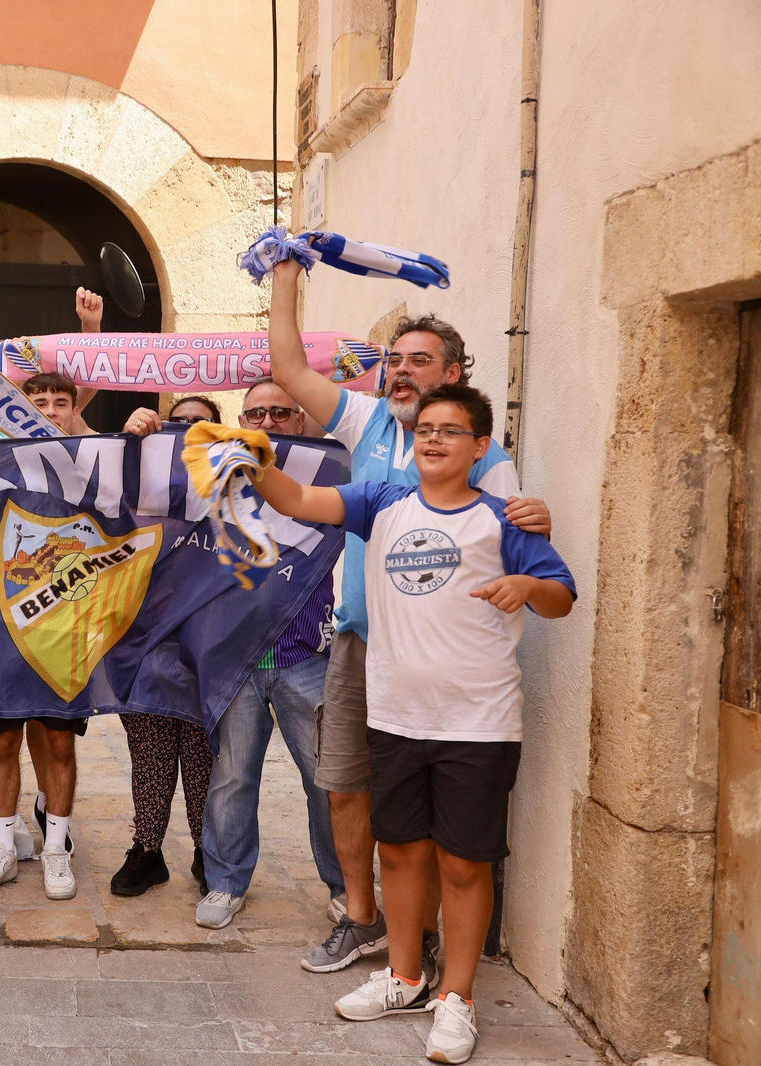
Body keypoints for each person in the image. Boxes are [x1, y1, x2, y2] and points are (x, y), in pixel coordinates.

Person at [252, 383, 574, 1064]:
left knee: (463, 863)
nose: (432, 439)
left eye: (450, 430)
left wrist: (526, 587)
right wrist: (251, 460)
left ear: (479, 447)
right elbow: (297, 500)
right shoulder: (382, 501)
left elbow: (560, 597)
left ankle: (455, 999)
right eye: (425, 428)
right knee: (397, 850)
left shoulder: (505, 519)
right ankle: (402, 975)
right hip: (395, 717)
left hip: (477, 724)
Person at [265, 257, 553, 974]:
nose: (400, 372)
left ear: (454, 374)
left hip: (443, 662)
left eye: (418, 361)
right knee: (345, 786)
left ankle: (424, 946)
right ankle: (362, 919)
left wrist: (535, 544)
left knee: (425, 817)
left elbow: (525, 560)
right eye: (393, 360)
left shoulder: (486, 460)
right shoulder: (366, 422)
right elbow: (289, 367)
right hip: (362, 644)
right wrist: (285, 273)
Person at [135, 384, 346, 927]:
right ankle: (226, 883)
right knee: (232, 777)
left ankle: (344, 887)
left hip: (304, 657)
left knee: (327, 781)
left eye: (281, 411)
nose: (270, 419)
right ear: (242, 420)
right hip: (236, 662)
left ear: (302, 420)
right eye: (257, 412)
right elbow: (145, 484)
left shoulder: (325, 471)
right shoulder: (212, 478)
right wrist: (144, 437)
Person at [0, 370, 88, 902]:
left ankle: (56, 848)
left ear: (73, 410)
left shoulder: (87, 461)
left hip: (64, 625)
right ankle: (3, 844)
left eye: (61, 402)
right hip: (3, 623)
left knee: (58, 742)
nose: (50, 410)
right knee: (4, 740)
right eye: (39, 401)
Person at [107, 396, 227, 900]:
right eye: (179, 422)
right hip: (146, 637)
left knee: (203, 755)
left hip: (210, 641)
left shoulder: (236, 483)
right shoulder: (140, 480)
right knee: (151, 752)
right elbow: (98, 495)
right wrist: (130, 441)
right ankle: (148, 851)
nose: (188, 430)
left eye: (202, 424)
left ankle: (207, 851)